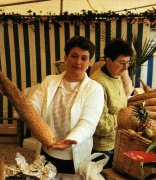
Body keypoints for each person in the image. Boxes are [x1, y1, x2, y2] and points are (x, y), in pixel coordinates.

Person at [28, 36, 105, 174]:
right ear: (65, 57)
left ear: (89, 62)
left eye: (84, 58)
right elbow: (33, 107)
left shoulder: (94, 89)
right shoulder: (49, 81)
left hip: (73, 158)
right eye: (74, 56)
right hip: (46, 152)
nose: (78, 62)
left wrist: (70, 140)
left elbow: (88, 123)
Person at [90, 38, 134, 168]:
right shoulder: (98, 83)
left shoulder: (116, 77)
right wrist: (126, 119)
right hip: (103, 150)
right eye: (121, 63)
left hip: (117, 143)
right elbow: (101, 125)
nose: (125, 68)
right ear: (108, 61)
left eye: (128, 63)